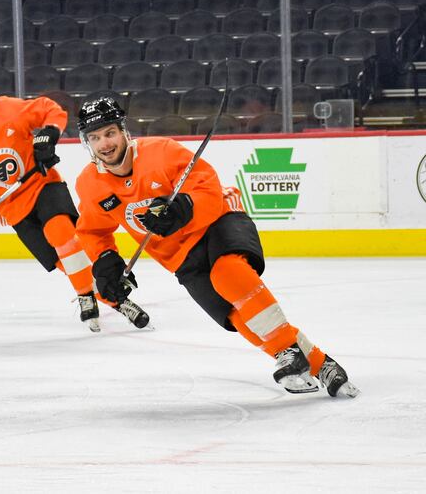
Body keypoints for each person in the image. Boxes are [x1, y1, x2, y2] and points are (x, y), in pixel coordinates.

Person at [72, 97, 359, 397]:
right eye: (94, 137)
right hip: (179, 256)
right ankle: (320, 363)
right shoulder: (91, 184)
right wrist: (105, 261)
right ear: (87, 143)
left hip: (217, 222)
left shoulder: (161, 152)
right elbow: (93, 230)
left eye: (109, 133)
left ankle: (287, 350)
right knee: (233, 315)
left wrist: (180, 209)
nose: (104, 143)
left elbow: (207, 187)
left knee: (227, 274)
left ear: (123, 132)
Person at [0, 80, 150, 332]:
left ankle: (89, 298)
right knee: (65, 262)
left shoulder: (6, 109)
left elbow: (50, 109)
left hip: (43, 184)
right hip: (13, 209)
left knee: (62, 234)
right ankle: (111, 299)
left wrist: (48, 133)